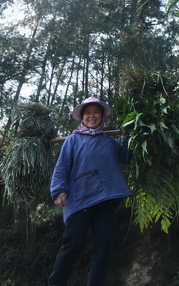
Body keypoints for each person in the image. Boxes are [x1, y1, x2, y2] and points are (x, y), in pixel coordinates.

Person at [48, 97, 131, 286]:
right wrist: (59, 190)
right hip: (80, 198)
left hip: (106, 200)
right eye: (88, 112)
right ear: (82, 118)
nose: (91, 115)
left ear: (102, 117)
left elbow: (126, 157)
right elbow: (62, 167)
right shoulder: (73, 140)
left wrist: (129, 135)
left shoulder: (109, 141)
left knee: (103, 247)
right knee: (73, 243)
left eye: (95, 112)